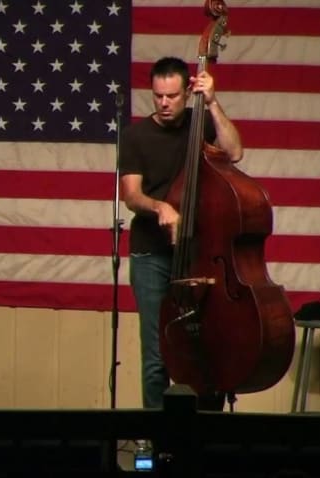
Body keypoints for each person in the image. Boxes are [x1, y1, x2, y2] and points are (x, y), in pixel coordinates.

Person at [118, 56, 243, 411]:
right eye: (158, 96)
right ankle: (159, 444)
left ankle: (201, 441)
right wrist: (159, 207)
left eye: (172, 95)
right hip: (151, 255)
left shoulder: (199, 124)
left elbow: (234, 151)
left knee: (204, 347)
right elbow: (131, 195)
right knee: (157, 355)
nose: (164, 103)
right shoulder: (136, 136)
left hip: (199, 253)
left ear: (186, 92)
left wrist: (212, 102)